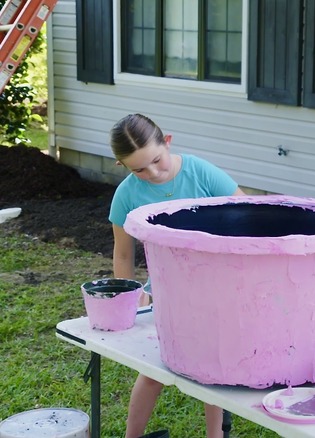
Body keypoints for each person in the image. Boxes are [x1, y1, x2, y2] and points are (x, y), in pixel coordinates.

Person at [108, 113, 245, 438]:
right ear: (123, 166)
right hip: (166, 294)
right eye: (139, 169)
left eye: (156, 160)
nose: (152, 173)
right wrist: (128, 296)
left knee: (213, 367)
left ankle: (216, 436)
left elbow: (244, 213)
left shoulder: (200, 172)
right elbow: (123, 252)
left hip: (218, 288)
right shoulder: (127, 194)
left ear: (167, 142)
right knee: (154, 369)